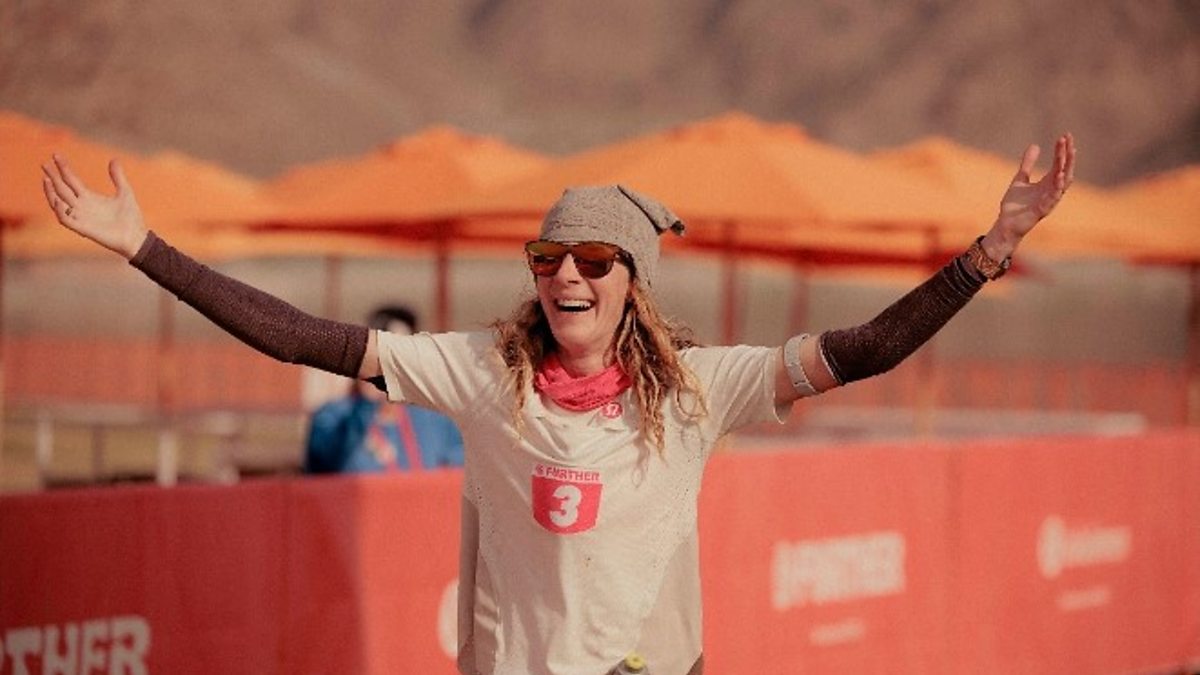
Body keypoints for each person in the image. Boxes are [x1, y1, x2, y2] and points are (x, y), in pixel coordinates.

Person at [40, 132, 1075, 675]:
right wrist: (145, 248)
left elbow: (864, 351)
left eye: (591, 258)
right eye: (548, 257)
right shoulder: (481, 372)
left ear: (633, 281)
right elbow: (305, 337)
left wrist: (987, 254)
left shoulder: (700, 388)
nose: (565, 276)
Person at [305, 304, 465, 473]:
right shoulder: (334, 417)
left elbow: (459, 469)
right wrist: (368, 405)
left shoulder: (434, 419)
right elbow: (326, 464)